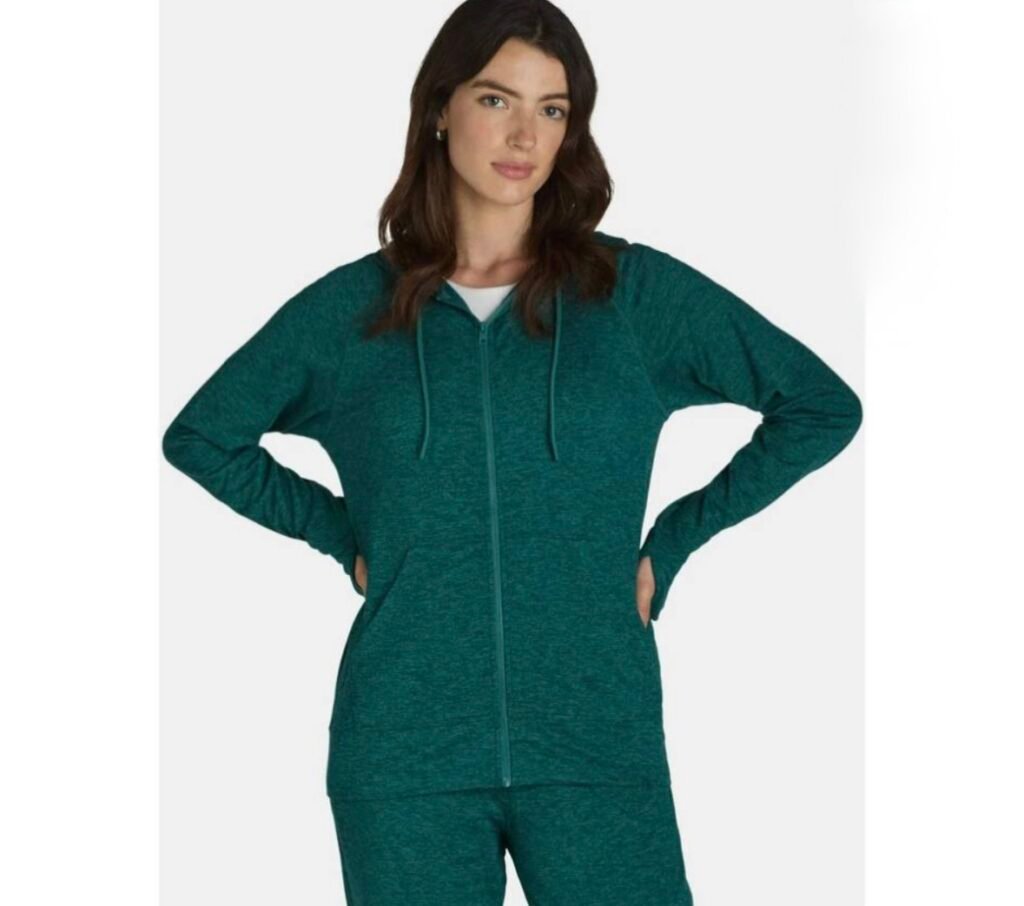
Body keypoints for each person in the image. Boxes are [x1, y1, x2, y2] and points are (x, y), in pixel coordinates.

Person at [161, 0, 863, 903]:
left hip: (595, 743)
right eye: (497, 100)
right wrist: (344, 535)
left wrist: (675, 540)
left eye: (552, 109)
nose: (525, 135)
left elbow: (819, 406)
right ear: (440, 107)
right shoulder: (354, 311)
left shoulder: (631, 296)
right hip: (405, 756)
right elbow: (203, 436)